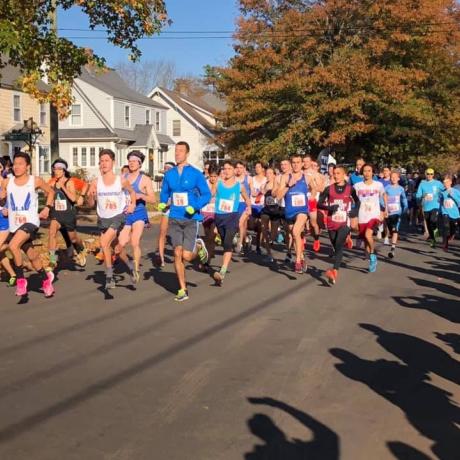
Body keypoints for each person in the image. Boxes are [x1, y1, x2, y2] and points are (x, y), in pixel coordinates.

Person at [158, 141, 211, 301]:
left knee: (187, 256)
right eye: (176, 151)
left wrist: (194, 206)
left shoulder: (195, 173)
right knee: (177, 253)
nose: (177, 153)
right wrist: (162, 201)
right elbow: (165, 192)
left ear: (187, 153)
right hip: (174, 217)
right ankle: (183, 289)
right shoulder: (170, 174)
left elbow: (206, 194)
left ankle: (199, 246)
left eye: (181, 151)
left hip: (190, 218)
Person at [0, 151, 55, 297]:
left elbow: (51, 192)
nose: (16, 167)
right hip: (14, 225)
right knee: (32, 256)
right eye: (14, 164)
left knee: (13, 246)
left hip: (31, 222)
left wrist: (47, 208)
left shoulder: (34, 181)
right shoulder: (7, 182)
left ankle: (21, 281)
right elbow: (5, 201)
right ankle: (45, 280)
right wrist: (4, 206)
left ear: (27, 166)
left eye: (20, 164)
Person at [86, 149, 136, 290]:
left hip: (118, 216)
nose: (104, 163)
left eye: (107, 160)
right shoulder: (96, 182)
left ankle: (109, 276)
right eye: (101, 161)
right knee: (116, 249)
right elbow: (90, 204)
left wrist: (132, 204)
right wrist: (90, 196)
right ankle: (130, 266)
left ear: (113, 163)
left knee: (103, 242)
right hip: (103, 218)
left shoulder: (121, 180)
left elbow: (132, 193)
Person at [117, 150, 156, 284]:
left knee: (135, 241)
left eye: (134, 161)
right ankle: (129, 265)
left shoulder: (144, 179)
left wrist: (140, 195)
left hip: (139, 212)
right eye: (130, 161)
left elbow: (152, 199)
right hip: (126, 213)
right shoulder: (123, 177)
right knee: (120, 244)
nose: (131, 163)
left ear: (139, 164)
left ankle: (136, 269)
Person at [318, 165, 360, 284]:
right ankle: (346, 239)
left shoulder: (350, 189)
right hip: (331, 222)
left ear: (344, 175)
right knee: (335, 246)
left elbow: (358, 202)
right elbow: (319, 204)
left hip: (344, 222)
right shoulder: (328, 189)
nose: (335, 176)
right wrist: (329, 207)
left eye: (338, 173)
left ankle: (334, 270)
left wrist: (355, 211)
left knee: (338, 244)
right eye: (334, 173)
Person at [212, 160, 251, 285]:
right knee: (225, 243)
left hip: (232, 217)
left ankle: (222, 271)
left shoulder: (239, 186)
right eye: (225, 169)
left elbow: (246, 198)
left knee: (227, 244)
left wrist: (249, 207)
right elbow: (210, 194)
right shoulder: (218, 184)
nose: (226, 171)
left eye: (229, 168)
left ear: (234, 170)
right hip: (219, 217)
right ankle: (234, 241)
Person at [47, 158, 87, 269]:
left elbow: (73, 198)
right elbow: (49, 195)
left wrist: (63, 187)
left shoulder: (69, 182)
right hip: (56, 214)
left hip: (68, 215)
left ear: (64, 170)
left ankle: (81, 247)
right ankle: (52, 260)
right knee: (52, 233)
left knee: (73, 239)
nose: (56, 171)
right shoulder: (51, 182)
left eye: (59, 169)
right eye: (55, 169)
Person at [277, 155, 309, 274]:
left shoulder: (307, 178)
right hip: (290, 212)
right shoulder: (285, 177)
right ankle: (301, 257)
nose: (296, 165)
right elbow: (279, 196)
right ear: (291, 164)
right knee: (295, 237)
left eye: (298, 162)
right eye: (293, 162)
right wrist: (288, 185)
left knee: (296, 232)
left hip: (302, 211)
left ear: (302, 164)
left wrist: (313, 193)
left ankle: (297, 262)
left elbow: (317, 189)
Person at [353, 164, 386, 273]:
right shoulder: (357, 186)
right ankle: (371, 257)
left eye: (369, 171)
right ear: (362, 173)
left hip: (374, 215)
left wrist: (385, 209)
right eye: (365, 171)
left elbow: (384, 195)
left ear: (373, 172)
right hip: (362, 216)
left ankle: (373, 255)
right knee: (366, 242)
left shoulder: (378, 185)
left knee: (368, 235)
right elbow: (352, 199)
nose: (367, 173)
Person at [415, 168, 444, 248]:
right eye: (428, 174)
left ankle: (435, 232)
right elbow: (418, 195)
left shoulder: (438, 183)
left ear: (433, 175)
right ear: (425, 174)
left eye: (431, 174)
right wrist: (422, 196)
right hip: (426, 206)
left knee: (433, 220)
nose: (429, 175)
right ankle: (433, 239)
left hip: (435, 205)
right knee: (428, 223)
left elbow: (444, 190)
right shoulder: (422, 184)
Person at [154, 161, 175, 267]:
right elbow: (163, 196)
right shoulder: (163, 182)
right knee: (163, 231)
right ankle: (161, 257)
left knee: (177, 233)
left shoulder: (177, 179)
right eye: (165, 168)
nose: (166, 170)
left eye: (168, 168)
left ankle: (179, 255)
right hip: (167, 209)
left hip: (177, 209)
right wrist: (162, 204)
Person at [260, 167, 282, 263]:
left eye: (270, 173)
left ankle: (274, 236)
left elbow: (279, 195)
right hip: (266, 211)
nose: (268, 175)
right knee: (264, 229)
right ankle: (269, 254)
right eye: (267, 173)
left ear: (274, 174)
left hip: (276, 211)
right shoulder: (264, 185)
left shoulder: (277, 184)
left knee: (272, 235)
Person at [384, 171, 408, 259]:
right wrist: (384, 208)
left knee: (395, 230)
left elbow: (404, 199)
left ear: (398, 178)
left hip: (397, 213)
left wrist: (405, 208)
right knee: (391, 230)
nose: (393, 178)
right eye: (392, 177)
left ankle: (392, 249)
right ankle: (392, 243)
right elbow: (382, 199)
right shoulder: (387, 188)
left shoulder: (401, 189)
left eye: (395, 177)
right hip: (389, 213)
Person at [0, 161, 16, 286]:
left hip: (4, 220)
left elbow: (15, 200)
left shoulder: (7, 182)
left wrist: (9, 209)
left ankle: (13, 245)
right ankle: (13, 274)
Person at [201, 165, 219, 263]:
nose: (213, 178)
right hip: (205, 211)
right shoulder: (205, 183)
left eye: (215, 176)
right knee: (207, 235)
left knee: (212, 235)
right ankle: (210, 250)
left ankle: (206, 261)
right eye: (211, 176)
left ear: (218, 176)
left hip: (216, 213)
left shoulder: (221, 184)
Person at [235, 161, 252, 254]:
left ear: (244, 168)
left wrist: (250, 206)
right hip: (235, 204)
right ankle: (246, 239)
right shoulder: (232, 179)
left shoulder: (248, 179)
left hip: (245, 204)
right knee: (242, 227)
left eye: (241, 167)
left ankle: (240, 244)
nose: (239, 169)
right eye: (237, 167)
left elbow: (252, 192)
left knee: (240, 224)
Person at [439, 174, 460, 251]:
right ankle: (445, 244)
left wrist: (453, 196)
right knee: (446, 227)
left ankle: (452, 234)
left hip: (455, 213)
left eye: (446, 182)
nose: (445, 184)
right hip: (445, 212)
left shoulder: (456, 191)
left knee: (452, 228)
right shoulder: (442, 192)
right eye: (444, 182)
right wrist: (440, 211)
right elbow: (441, 202)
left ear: (450, 182)